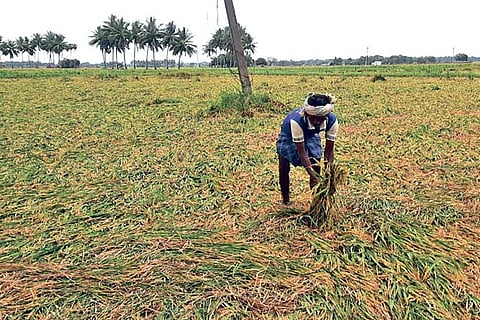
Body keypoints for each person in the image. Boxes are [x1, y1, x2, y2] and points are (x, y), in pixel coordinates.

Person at [276, 92, 339, 204]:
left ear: (326, 116)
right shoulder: (296, 121)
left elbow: (329, 151)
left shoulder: (331, 121)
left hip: (311, 135)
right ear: (307, 114)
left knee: (316, 165)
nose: (316, 122)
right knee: (283, 166)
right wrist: (313, 175)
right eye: (313, 118)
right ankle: (285, 200)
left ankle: (316, 202)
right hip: (289, 135)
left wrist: (329, 174)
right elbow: (302, 152)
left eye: (320, 119)